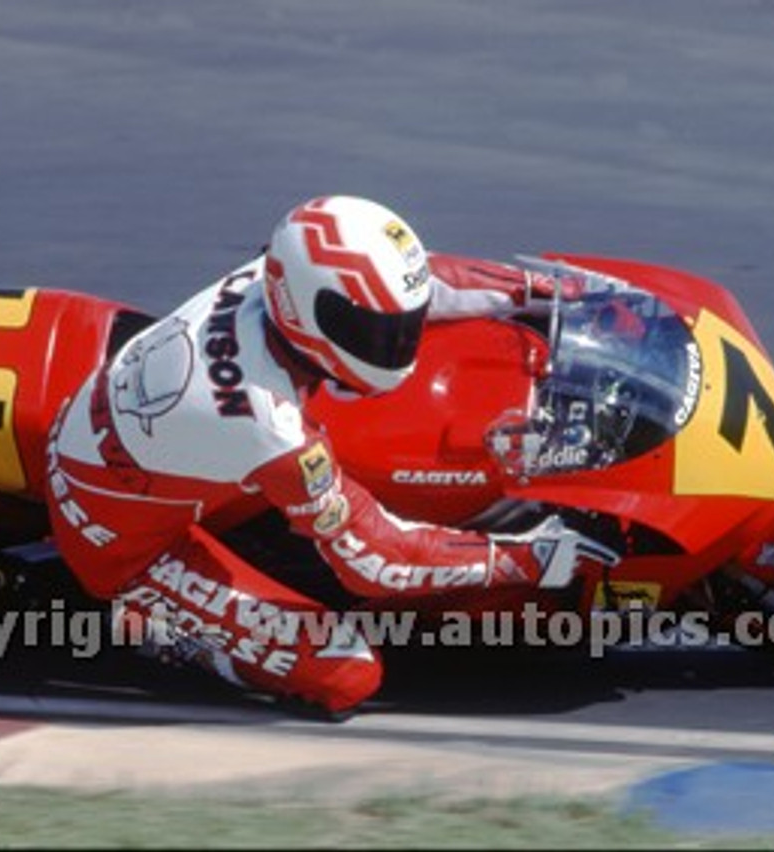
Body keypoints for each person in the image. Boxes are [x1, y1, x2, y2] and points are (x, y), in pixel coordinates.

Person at [44, 195, 613, 717]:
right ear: (308, 312)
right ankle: (150, 630)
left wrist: (546, 292)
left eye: (400, 327)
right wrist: (530, 559)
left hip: (149, 436)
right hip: (121, 537)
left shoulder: (272, 281)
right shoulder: (268, 424)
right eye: (379, 333)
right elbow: (373, 563)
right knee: (347, 674)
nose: (401, 347)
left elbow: (430, 282)